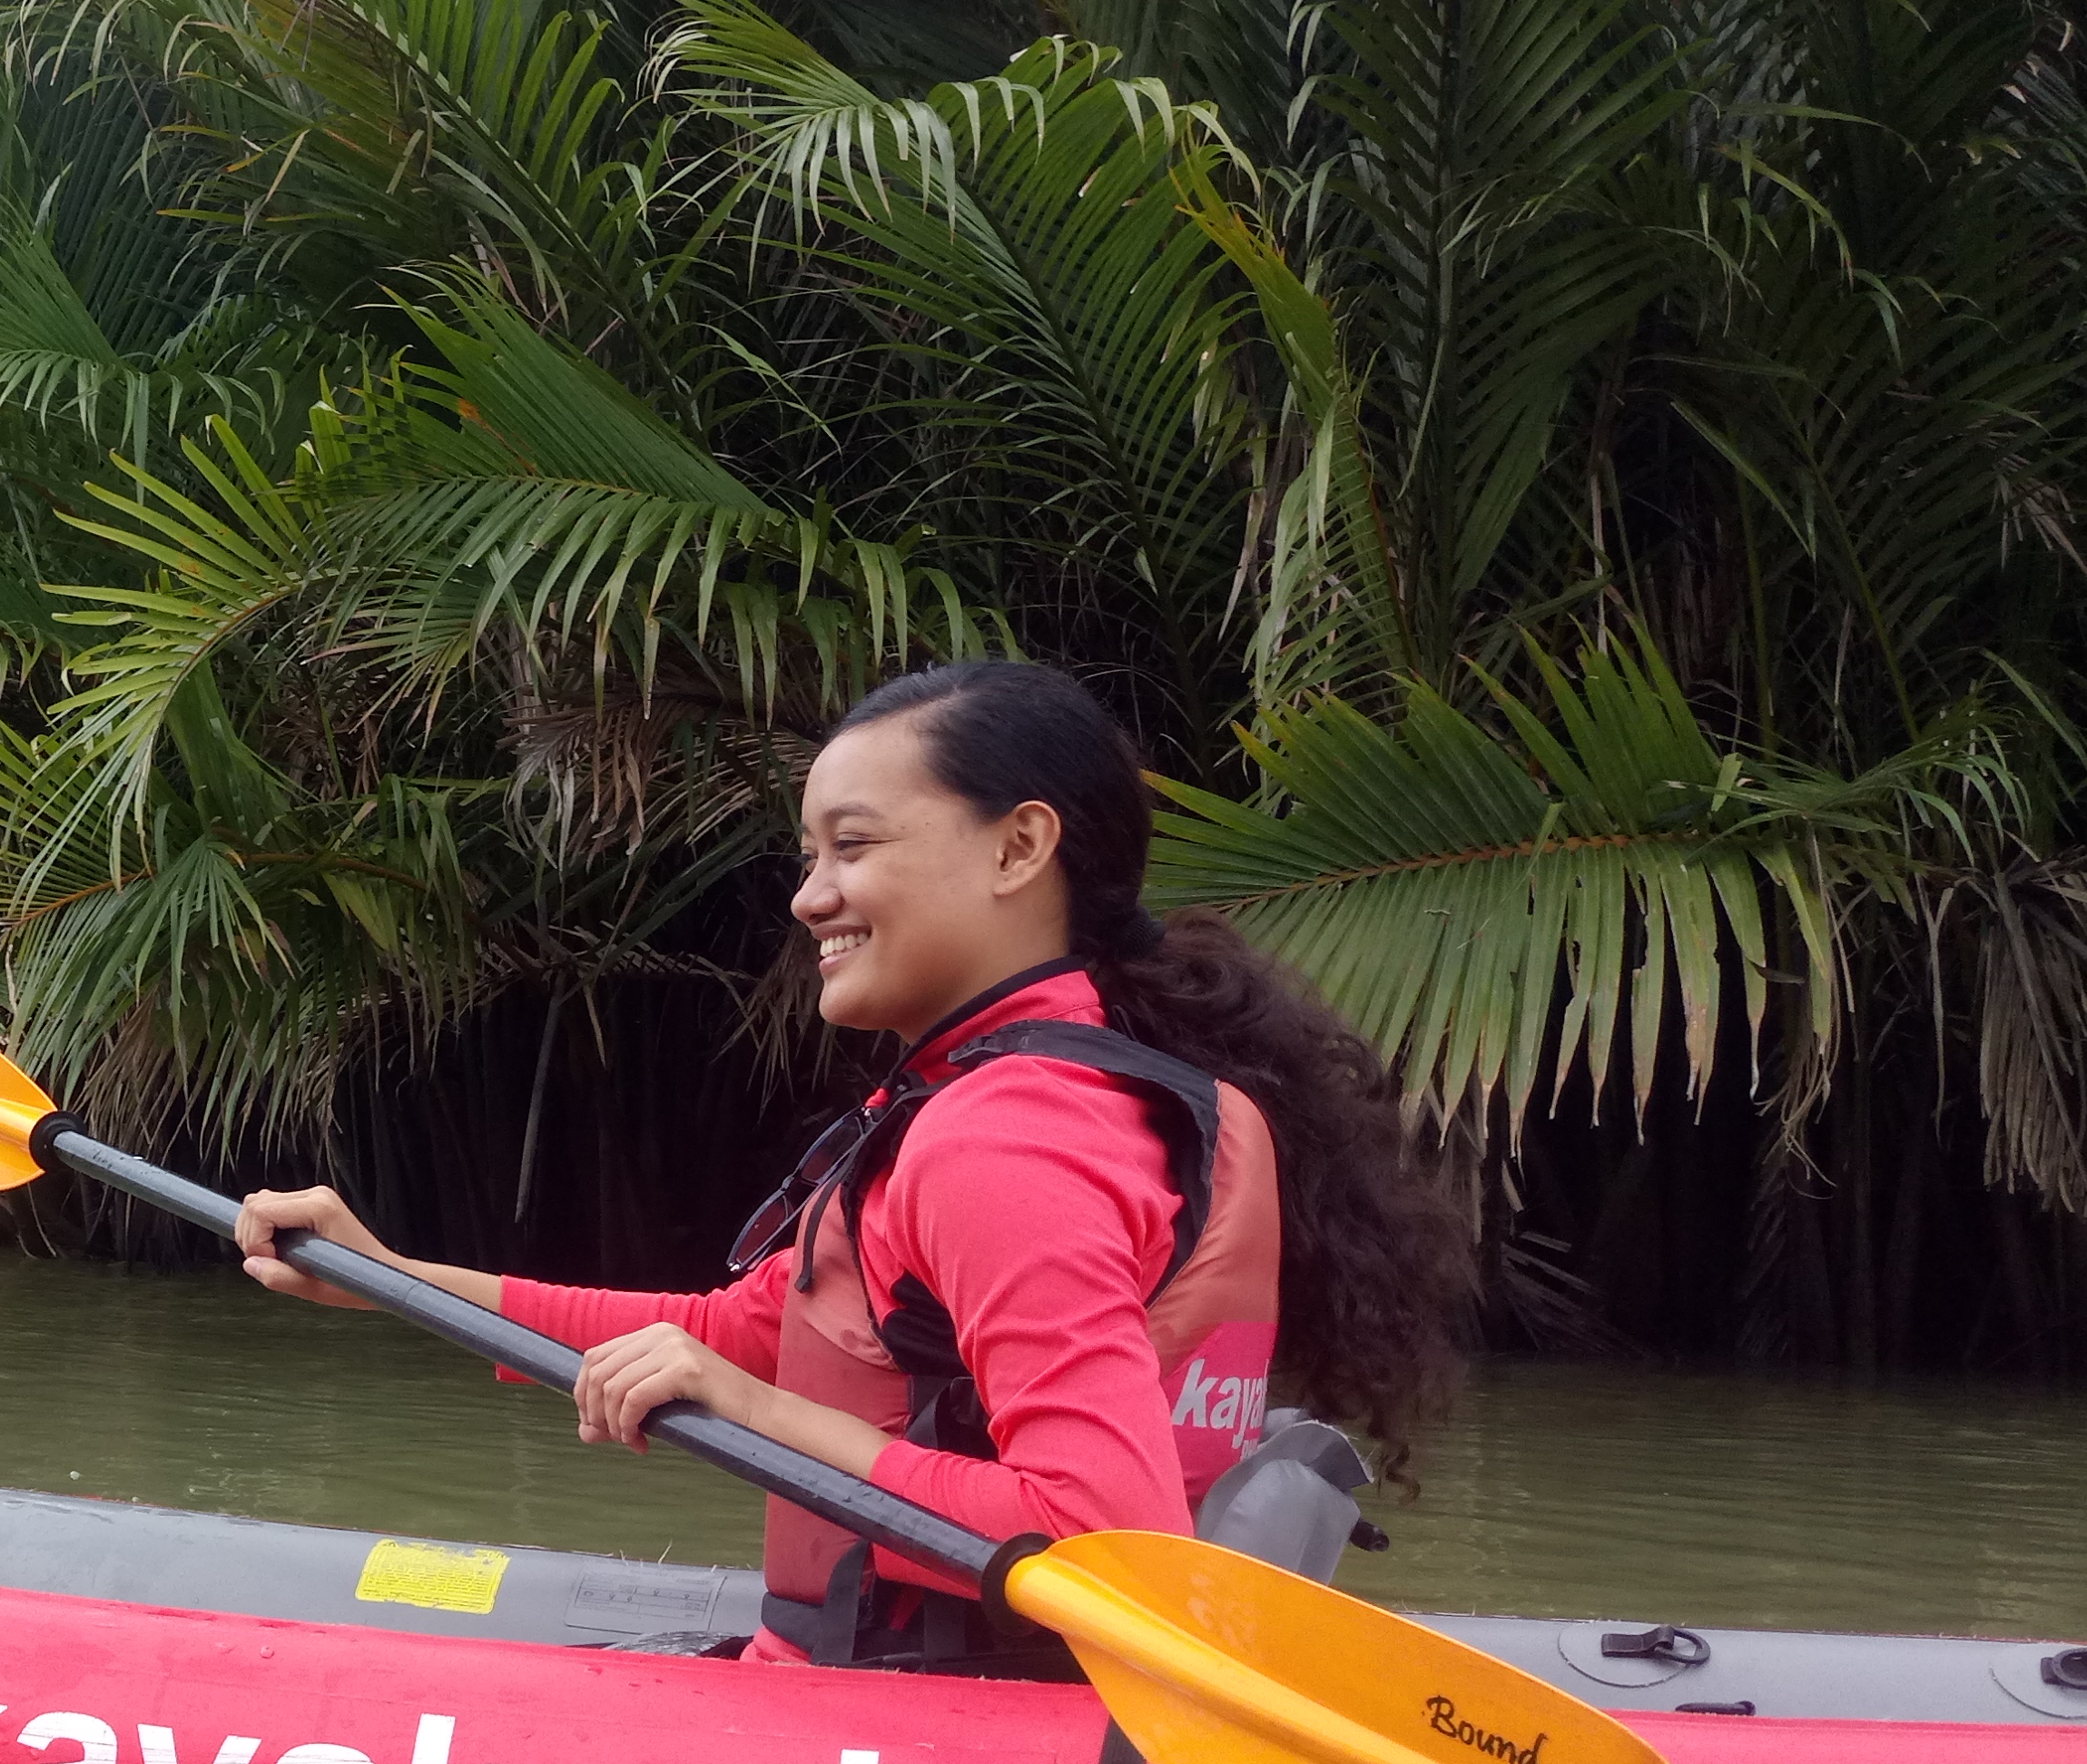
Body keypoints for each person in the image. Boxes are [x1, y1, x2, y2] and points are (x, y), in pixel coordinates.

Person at [232, 660, 1461, 1669]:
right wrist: (389, 1279)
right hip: (1018, 1710)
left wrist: (754, 1413)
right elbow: (737, 1332)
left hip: (940, 1732)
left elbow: (1102, 1546)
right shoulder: (1115, 1094)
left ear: (1020, 848)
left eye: (852, 846)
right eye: (809, 857)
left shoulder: (1008, 1136)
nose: (810, 898)